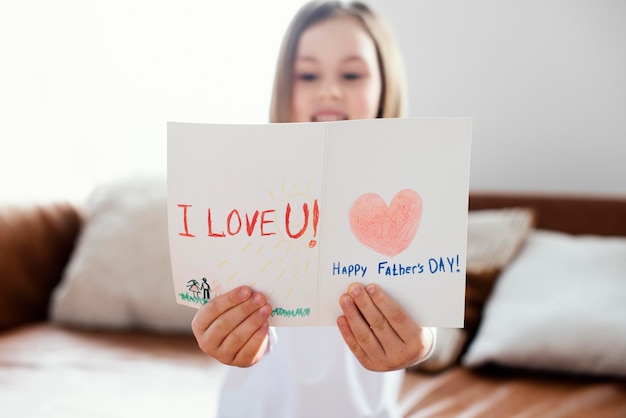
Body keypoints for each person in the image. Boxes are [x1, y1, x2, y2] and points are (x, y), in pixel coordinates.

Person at [191, 2, 436, 417]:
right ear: (283, 88)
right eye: (307, 74)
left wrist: (423, 341)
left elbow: (431, 308)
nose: (329, 91)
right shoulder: (248, 190)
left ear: (384, 86)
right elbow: (212, 291)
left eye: (351, 74)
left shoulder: (412, 197)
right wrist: (219, 327)